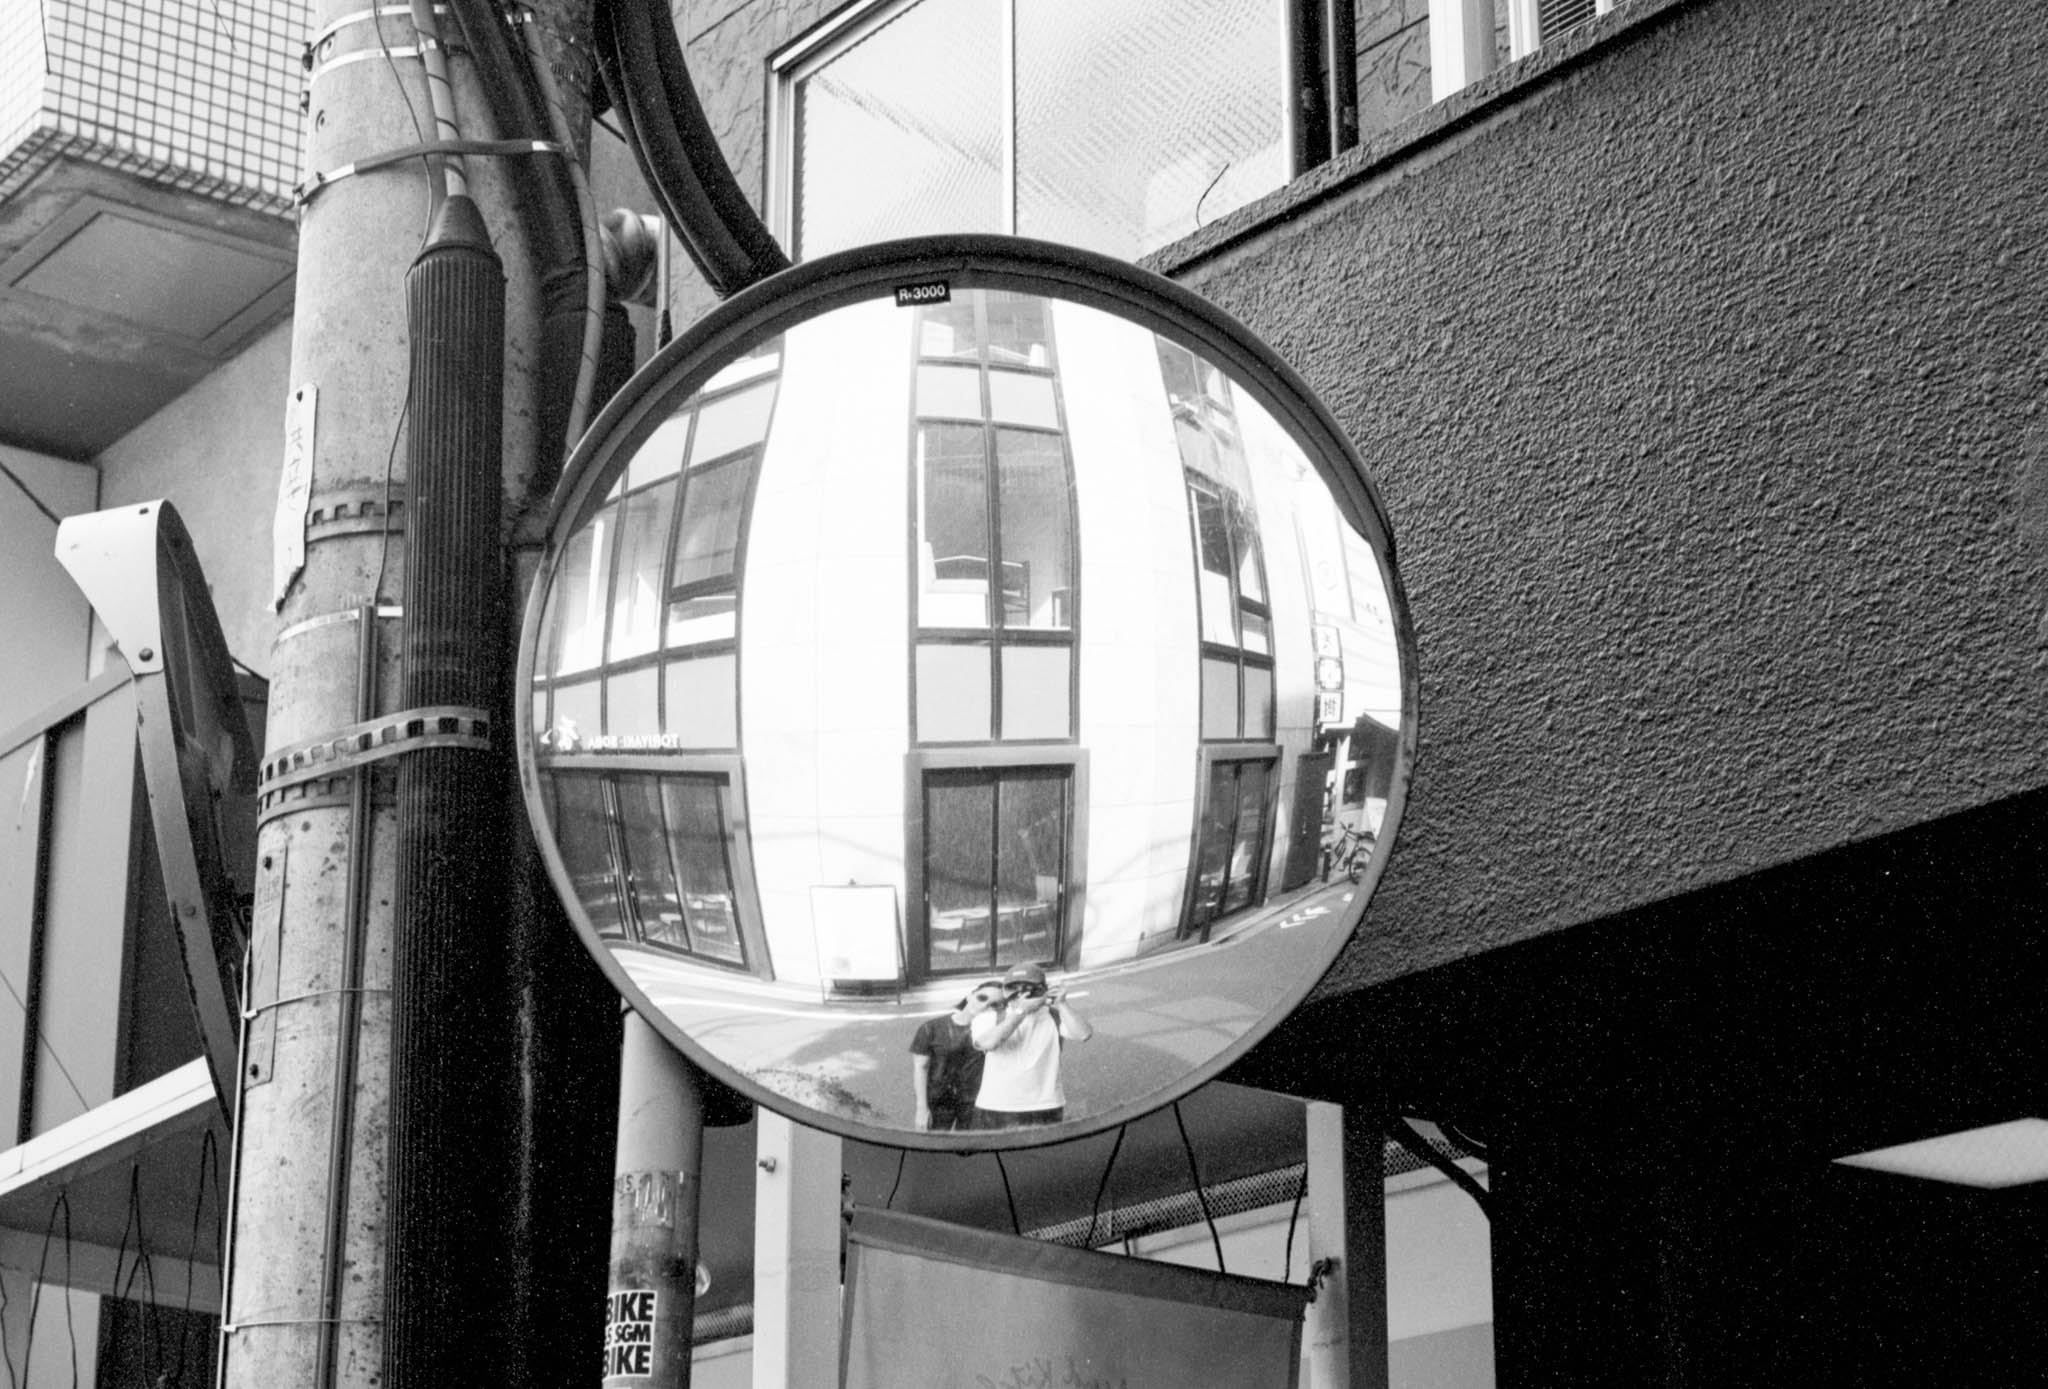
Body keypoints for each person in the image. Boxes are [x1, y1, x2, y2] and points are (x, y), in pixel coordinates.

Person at [970, 963, 1092, 1129]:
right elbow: (987, 1043)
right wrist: (1021, 1012)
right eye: (1014, 988)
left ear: (1043, 989)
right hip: (999, 1105)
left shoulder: (1054, 1016)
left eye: (1029, 988)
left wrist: (1062, 1003)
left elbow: (1084, 1034)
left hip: (1047, 1104)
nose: (1021, 994)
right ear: (1005, 991)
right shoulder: (990, 1017)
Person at [909, 981, 1003, 1131]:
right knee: (935, 1143)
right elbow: (920, 1068)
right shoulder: (931, 1028)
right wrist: (921, 1108)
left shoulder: (995, 1034)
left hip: (975, 1103)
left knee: (968, 1144)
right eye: (982, 998)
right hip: (939, 1101)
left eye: (995, 1004)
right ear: (970, 996)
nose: (985, 1005)